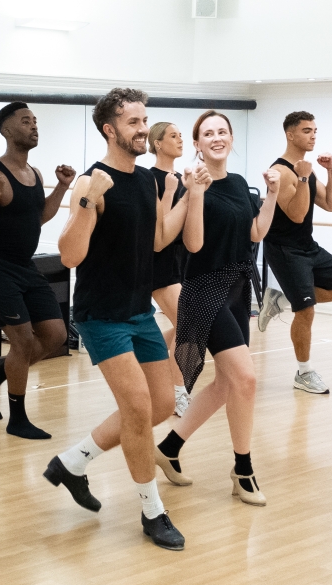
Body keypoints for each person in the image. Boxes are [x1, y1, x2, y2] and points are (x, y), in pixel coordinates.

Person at [44, 88, 189, 551]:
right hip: (101, 315)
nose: (144, 129)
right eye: (133, 123)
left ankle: (72, 461)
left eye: (145, 120)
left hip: (137, 312)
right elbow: (69, 255)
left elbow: (160, 240)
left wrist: (190, 194)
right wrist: (88, 203)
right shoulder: (91, 182)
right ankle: (152, 511)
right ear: (110, 129)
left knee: (163, 404)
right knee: (139, 408)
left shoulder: (147, 180)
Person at [154, 110, 279, 507]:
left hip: (237, 289)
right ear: (197, 144)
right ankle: (242, 469)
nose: (217, 137)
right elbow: (192, 245)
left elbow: (255, 232)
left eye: (222, 131)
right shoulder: (192, 184)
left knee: (227, 384)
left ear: (230, 138)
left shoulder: (241, 183)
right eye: (208, 133)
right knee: (245, 378)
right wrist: (196, 194)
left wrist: (273, 195)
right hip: (204, 290)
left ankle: (169, 447)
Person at [0, 102, 74, 440]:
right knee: (23, 341)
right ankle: (17, 418)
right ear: (5, 130)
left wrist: (60, 186)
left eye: (35, 121)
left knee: (56, 336)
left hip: (24, 267)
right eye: (25, 121)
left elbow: (38, 217)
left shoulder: (35, 174)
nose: (33, 126)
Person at [257, 111, 332, 395]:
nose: (313, 135)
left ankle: (282, 299)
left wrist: (331, 171)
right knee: (307, 311)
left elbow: (331, 204)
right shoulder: (281, 171)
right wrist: (302, 179)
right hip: (285, 249)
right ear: (290, 134)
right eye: (306, 131)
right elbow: (298, 215)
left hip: (307, 246)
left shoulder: (306, 169)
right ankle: (304, 373)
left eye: (315, 130)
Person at [147, 122, 192, 417]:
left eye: (180, 136)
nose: (179, 140)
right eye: (173, 136)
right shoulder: (149, 178)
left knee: (183, 325)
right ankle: (178, 392)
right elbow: (157, 228)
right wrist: (171, 190)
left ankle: (149, 356)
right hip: (159, 263)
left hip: (181, 261)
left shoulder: (182, 178)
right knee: (187, 326)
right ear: (158, 143)